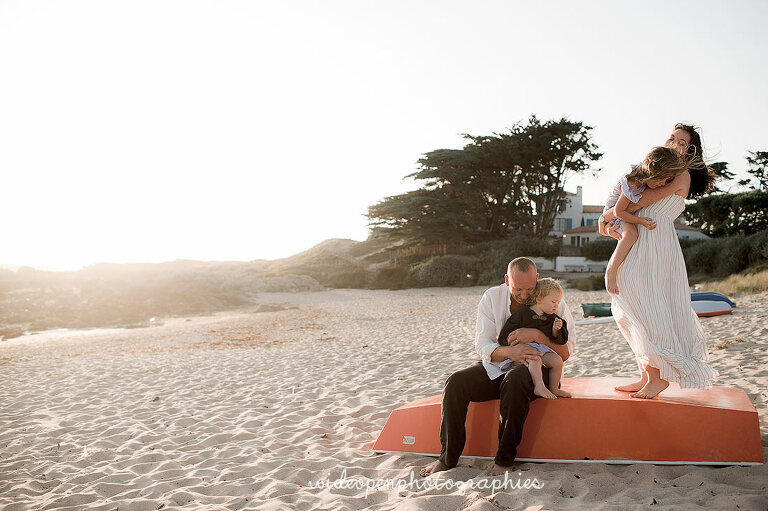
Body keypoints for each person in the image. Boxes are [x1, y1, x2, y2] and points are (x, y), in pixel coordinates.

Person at [420, 258, 576, 477]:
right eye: (518, 289)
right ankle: (447, 458)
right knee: (456, 382)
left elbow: (566, 351)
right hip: (501, 364)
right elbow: (482, 344)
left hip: (538, 371)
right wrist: (511, 352)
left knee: (515, 380)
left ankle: (504, 461)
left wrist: (538, 336)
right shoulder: (492, 297)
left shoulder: (552, 298)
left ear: (537, 279)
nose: (524, 295)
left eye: (529, 289)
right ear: (506, 280)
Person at [599, 123, 718, 399]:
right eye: (670, 137)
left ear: (689, 149)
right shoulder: (661, 169)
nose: (673, 142)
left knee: (644, 304)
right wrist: (606, 218)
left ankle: (658, 377)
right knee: (627, 306)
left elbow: (633, 203)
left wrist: (609, 214)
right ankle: (646, 374)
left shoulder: (680, 175)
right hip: (644, 239)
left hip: (655, 241)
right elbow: (625, 202)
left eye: (680, 141)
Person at [603, 146, 696, 295]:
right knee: (631, 234)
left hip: (621, 213)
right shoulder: (633, 182)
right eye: (661, 179)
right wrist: (640, 221)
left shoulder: (647, 176)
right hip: (616, 213)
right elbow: (618, 211)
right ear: (651, 173)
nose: (663, 183)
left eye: (667, 180)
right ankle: (611, 270)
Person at [497, 278, 571, 400]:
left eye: (558, 302)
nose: (556, 306)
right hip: (525, 352)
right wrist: (511, 344)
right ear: (539, 299)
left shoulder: (552, 318)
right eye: (553, 302)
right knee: (535, 359)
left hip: (542, 351)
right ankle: (539, 386)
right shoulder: (522, 314)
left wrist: (555, 330)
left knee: (557, 361)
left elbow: (559, 341)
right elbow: (506, 335)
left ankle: (554, 388)